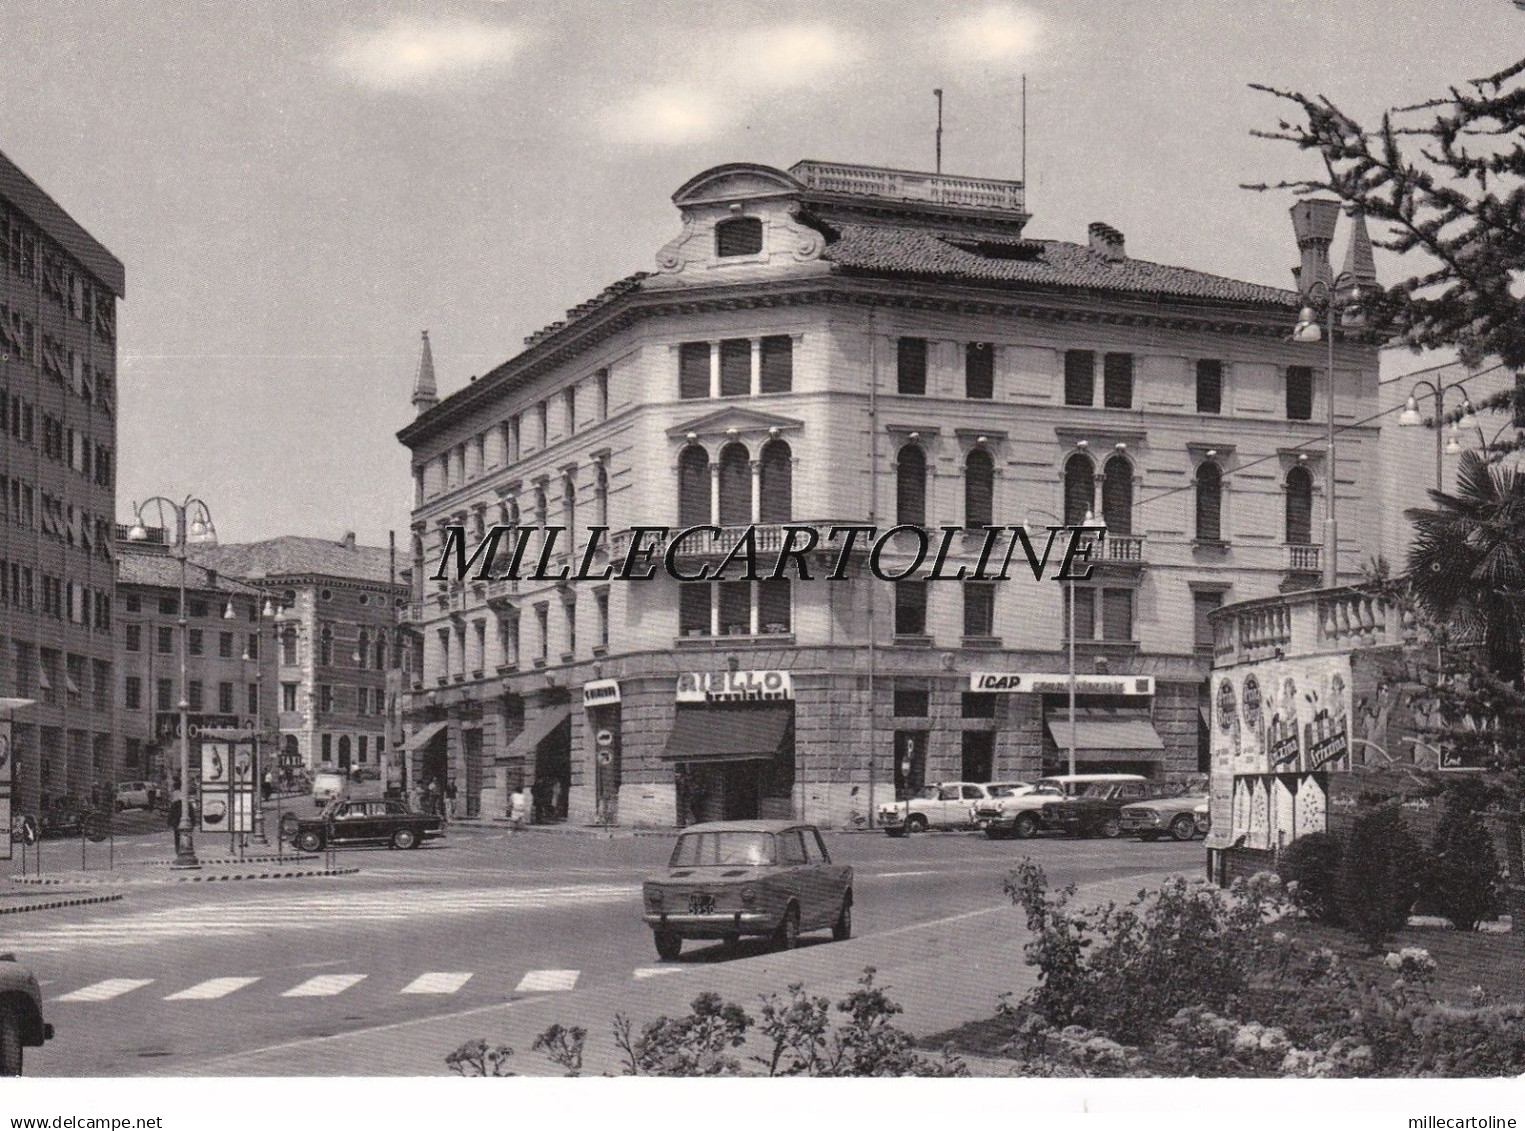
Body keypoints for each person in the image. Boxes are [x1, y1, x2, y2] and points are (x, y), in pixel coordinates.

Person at [167, 781, 184, 855]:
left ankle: (179, 851)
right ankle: (182, 849)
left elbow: (173, 809)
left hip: (177, 819)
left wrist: (169, 821)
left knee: (177, 837)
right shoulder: (182, 793)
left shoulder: (175, 794)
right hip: (182, 817)